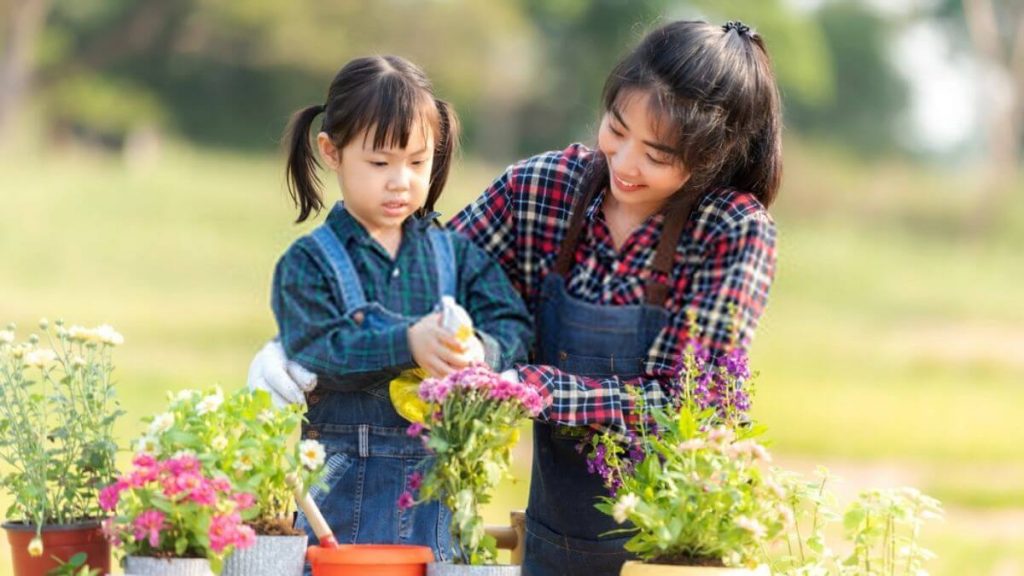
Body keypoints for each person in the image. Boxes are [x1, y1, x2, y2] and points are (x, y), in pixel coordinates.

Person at [250, 20, 781, 576]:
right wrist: (298, 343)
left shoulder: (732, 230)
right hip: (557, 539)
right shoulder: (542, 189)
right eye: (616, 130)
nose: (624, 164)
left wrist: (531, 387)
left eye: (657, 154)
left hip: (678, 548)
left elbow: (685, 406)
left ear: (712, 155)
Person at [261, 55, 532, 563]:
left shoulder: (452, 254)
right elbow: (319, 349)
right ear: (331, 152)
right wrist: (408, 342)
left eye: (417, 162)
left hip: (433, 501)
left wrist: (480, 351)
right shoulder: (311, 262)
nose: (400, 181)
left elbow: (512, 327)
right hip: (338, 499)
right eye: (380, 163)